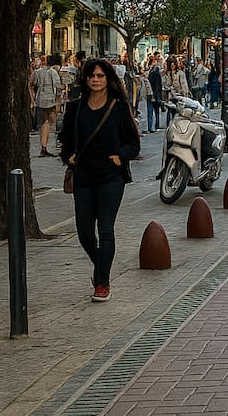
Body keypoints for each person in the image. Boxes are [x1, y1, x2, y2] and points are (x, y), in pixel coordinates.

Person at [59, 59, 141, 303]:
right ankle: (101, 266)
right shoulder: (76, 108)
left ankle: (102, 283)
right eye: (92, 76)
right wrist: (69, 157)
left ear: (108, 79)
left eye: (101, 76)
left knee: (105, 229)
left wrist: (121, 157)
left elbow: (133, 144)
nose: (96, 79)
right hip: (83, 175)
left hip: (110, 177)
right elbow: (64, 139)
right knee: (85, 232)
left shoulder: (118, 107)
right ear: (85, 79)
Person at [31, 53, 63, 157]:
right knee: (49, 122)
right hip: (50, 98)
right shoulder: (53, 72)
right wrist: (58, 102)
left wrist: (33, 99)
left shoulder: (37, 72)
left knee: (45, 122)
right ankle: (44, 147)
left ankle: (43, 146)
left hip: (40, 98)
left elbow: (31, 84)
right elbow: (58, 87)